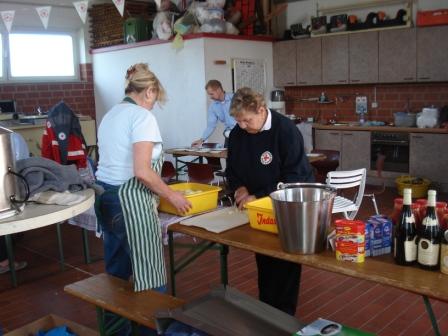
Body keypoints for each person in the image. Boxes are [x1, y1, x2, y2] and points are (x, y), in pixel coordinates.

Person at [95, 63, 191, 334]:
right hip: (129, 203)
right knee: (150, 279)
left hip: (105, 198)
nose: (154, 106)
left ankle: (115, 331)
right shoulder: (141, 117)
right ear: (148, 91)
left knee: (116, 276)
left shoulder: (111, 114)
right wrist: (172, 195)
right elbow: (142, 172)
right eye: (155, 100)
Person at [226, 87, 314, 316]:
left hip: (289, 206)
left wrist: (260, 194)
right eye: (238, 121)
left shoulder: (285, 130)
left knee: (285, 262)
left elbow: (294, 177)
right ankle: (267, 311)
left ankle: (284, 316)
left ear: (262, 110)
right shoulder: (237, 133)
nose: (243, 126)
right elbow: (232, 169)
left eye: (247, 120)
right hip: (258, 209)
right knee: (264, 257)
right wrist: (239, 187)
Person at [191, 80, 236, 148]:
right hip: (229, 135)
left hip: (244, 133)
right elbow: (211, 126)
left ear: (218, 90)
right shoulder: (213, 107)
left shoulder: (235, 98)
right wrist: (201, 140)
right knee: (229, 157)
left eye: (211, 94)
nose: (210, 97)